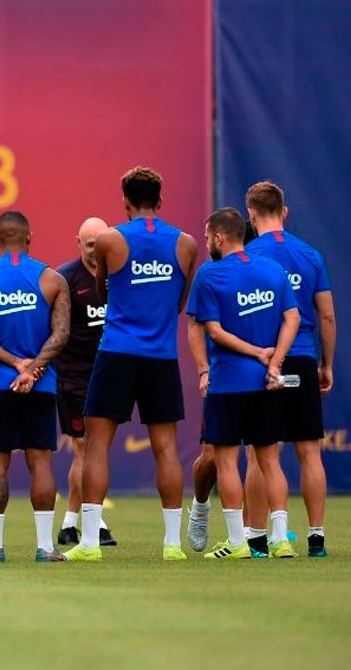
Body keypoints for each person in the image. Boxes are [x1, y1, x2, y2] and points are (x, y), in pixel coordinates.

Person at [189, 183, 335, 558]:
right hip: (292, 361)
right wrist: (318, 363)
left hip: (242, 373)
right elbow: (316, 316)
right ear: (283, 211)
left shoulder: (227, 265)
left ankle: (249, 539)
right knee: (298, 455)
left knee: (244, 458)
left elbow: (212, 327)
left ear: (250, 216)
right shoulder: (297, 260)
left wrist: (256, 357)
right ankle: (302, 538)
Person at [66, 167, 197, 563]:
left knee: (96, 446)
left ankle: (89, 544)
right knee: (167, 448)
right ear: (161, 199)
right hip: (160, 354)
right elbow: (179, 302)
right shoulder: (187, 244)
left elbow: (104, 289)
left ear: (124, 201)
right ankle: (172, 544)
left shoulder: (110, 238)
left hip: (117, 352)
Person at [186, 208, 299, 559]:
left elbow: (214, 331)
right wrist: (275, 360)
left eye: (207, 238)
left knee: (226, 462)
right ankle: (280, 541)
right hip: (266, 384)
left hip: (228, 383)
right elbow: (292, 318)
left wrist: (257, 354)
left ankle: (238, 543)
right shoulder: (272, 269)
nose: (206, 243)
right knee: (269, 462)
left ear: (219, 237)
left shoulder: (210, 274)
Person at [0, 211, 70, 563]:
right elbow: (62, 334)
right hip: (40, 385)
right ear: (30, 237)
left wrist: (14, 365)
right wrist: (33, 368)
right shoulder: (53, 279)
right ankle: (45, 547)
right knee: (41, 463)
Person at [55, 217, 119, 547]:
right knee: (84, 448)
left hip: (109, 374)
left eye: (100, 243)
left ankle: (72, 523)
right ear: (78, 243)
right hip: (73, 377)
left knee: (97, 450)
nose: (95, 250)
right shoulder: (65, 279)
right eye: (89, 244)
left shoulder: (119, 274)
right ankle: (87, 524)